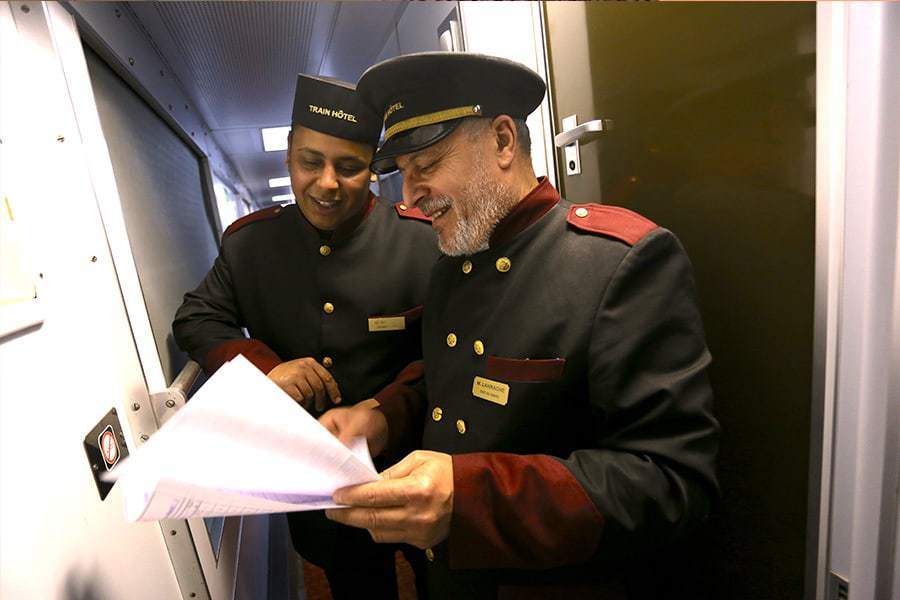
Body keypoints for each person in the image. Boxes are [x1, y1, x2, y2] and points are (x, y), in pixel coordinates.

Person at [320, 52, 720, 598]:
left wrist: (469, 498)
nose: (410, 196)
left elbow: (671, 482)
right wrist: (384, 416)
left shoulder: (619, 261)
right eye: (404, 175)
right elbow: (452, 381)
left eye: (428, 166)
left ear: (504, 141)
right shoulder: (454, 262)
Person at [172, 74, 439, 599]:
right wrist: (265, 366)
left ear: (373, 169)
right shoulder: (251, 246)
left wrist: (386, 410)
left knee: (439, 576)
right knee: (356, 582)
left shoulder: (423, 242)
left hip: (415, 455)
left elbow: (450, 350)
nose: (326, 183)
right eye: (310, 162)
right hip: (319, 476)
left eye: (349, 167)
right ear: (288, 157)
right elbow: (196, 319)